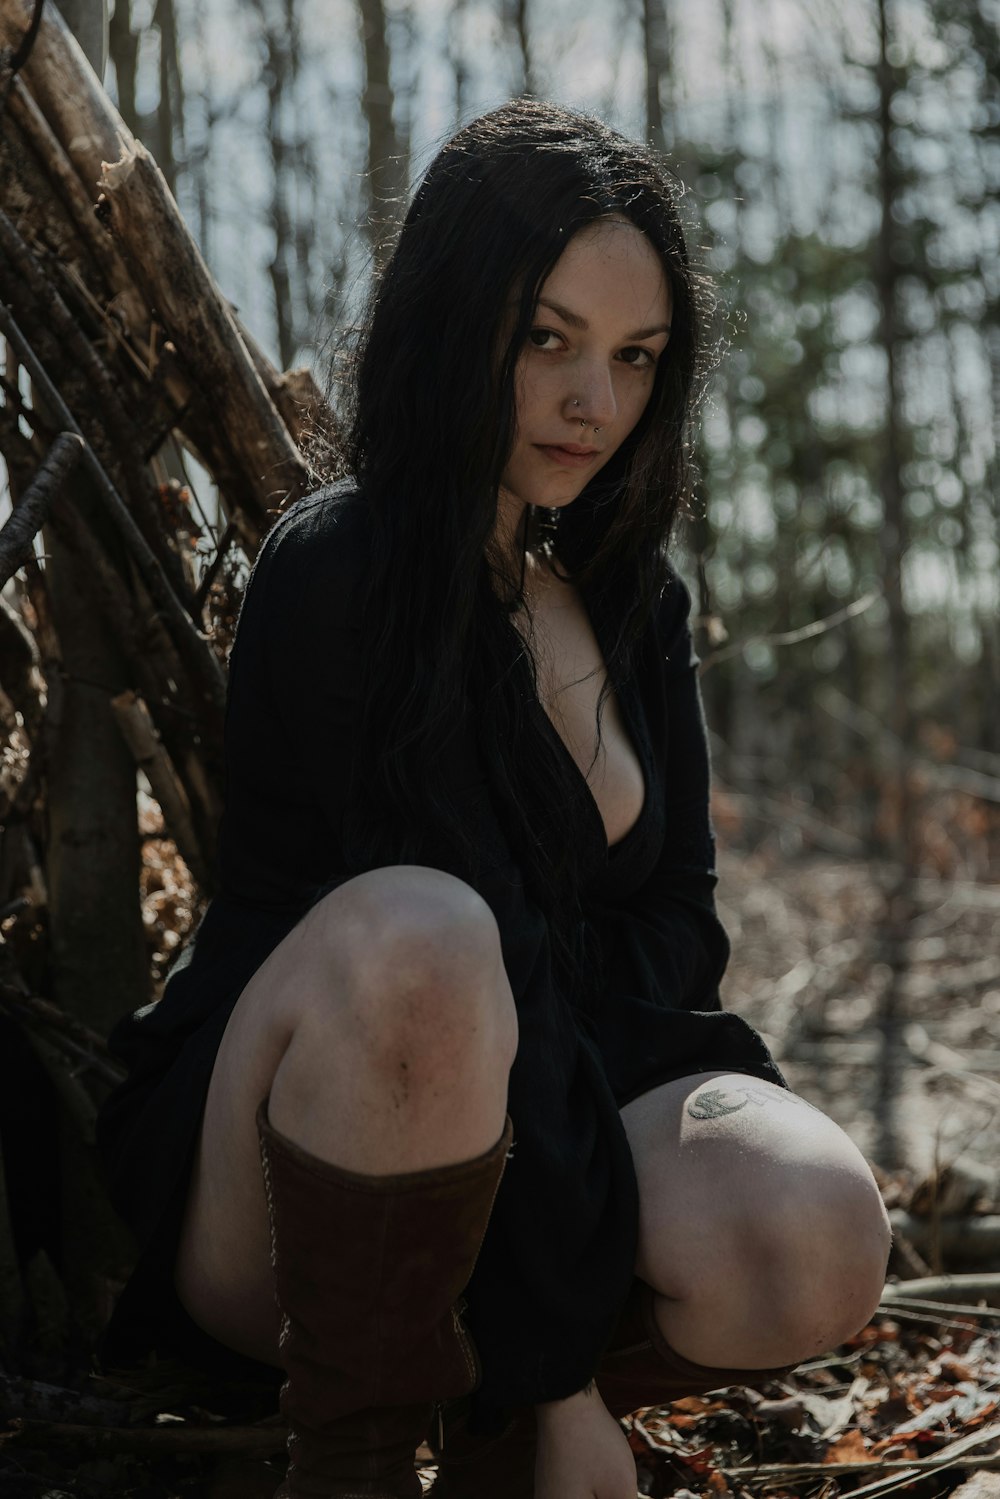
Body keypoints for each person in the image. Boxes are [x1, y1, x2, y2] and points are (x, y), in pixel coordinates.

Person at [97, 98, 891, 1499]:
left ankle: (487, 1443)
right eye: (549, 339)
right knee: (429, 939)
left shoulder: (636, 607)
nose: (596, 401)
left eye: (635, 358)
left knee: (810, 1221)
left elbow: (679, 935)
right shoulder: (339, 574)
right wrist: (557, 1367)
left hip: (551, 1138)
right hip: (294, 1176)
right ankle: (371, 1451)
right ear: (457, 319)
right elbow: (460, 983)